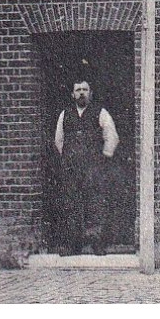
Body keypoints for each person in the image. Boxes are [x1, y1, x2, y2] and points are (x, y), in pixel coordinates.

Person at [52, 79, 119, 255]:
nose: (81, 93)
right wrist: (69, 158)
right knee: (71, 203)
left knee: (95, 203)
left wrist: (103, 158)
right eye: (78, 90)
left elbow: (111, 137)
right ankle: (73, 244)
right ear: (72, 94)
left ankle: (96, 242)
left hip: (93, 167)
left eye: (85, 89)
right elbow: (59, 140)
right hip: (71, 167)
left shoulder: (100, 113)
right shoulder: (65, 114)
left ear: (90, 93)